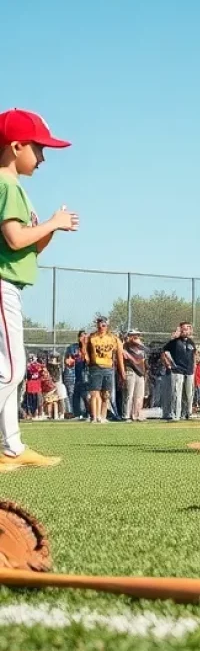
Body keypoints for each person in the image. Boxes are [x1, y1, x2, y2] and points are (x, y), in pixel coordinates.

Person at [0, 110, 76, 467]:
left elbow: (30, 246)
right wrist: (51, 222)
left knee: (10, 368)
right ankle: (10, 447)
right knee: (12, 369)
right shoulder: (6, 184)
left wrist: (51, 229)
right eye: (39, 148)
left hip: (10, 285)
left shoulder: (15, 189)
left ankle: (12, 446)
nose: (43, 157)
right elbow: (16, 240)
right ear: (16, 146)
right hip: (3, 284)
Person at [86, 316, 124, 423]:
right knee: (94, 393)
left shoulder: (113, 338)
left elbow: (119, 354)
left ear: (107, 326)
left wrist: (122, 372)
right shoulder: (92, 338)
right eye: (99, 325)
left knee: (106, 395)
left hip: (108, 368)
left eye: (103, 325)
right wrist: (88, 360)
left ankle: (102, 417)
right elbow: (85, 351)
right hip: (96, 367)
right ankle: (94, 416)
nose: (101, 327)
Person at [162, 321, 197, 422]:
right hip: (178, 370)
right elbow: (164, 350)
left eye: (187, 328)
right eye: (183, 329)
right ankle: (175, 414)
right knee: (177, 393)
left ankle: (187, 413)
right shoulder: (175, 341)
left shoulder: (191, 342)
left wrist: (194, 366)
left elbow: (194, 354)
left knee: (189, 394)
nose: (185, 331)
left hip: (189, 370)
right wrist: (169, 364)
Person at [122, 329, 148, 422]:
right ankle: (126, 415)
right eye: (133, 335)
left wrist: (144, 373)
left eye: (137, 335)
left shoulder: (141, 347)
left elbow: (146, 355)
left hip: (140, 373)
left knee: (139, 395)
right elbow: (124, 354)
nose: (135, 337)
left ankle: (136, 415)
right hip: (130, 371)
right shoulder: (126, 345)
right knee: (129, 394)